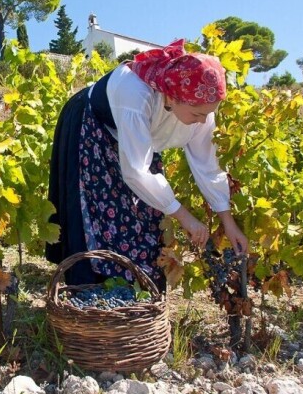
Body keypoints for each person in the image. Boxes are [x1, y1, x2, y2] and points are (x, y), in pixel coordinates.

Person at [45, 39, 248, 290]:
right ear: (172, 96)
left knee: (145, 218)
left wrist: (228, 222)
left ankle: (136, 295)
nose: (203, 121)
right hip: (91, 126)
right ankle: (93, 299)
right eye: (197, 115)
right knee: (95, 212)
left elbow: (208, 165)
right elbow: (136, 171)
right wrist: (185, 217)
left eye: (209, 114)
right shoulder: (136, 92)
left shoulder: (200, 105)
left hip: (134, 139)